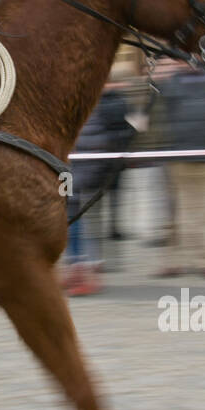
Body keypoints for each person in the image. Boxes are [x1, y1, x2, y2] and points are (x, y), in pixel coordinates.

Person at [154, 57, 205, 278]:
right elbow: (163, 119)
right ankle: (174, 260)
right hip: (176, 156)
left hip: (203, 155)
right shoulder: (168, 86)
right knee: (174, 213)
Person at [61, 78, 137, 296]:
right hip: (72, 167)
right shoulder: (74, 102)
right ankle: (77, 266)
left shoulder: (92, 103)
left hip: (86, 168)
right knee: (69, 214)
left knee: (79, 215)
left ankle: (85, 270)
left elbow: (99, 138)